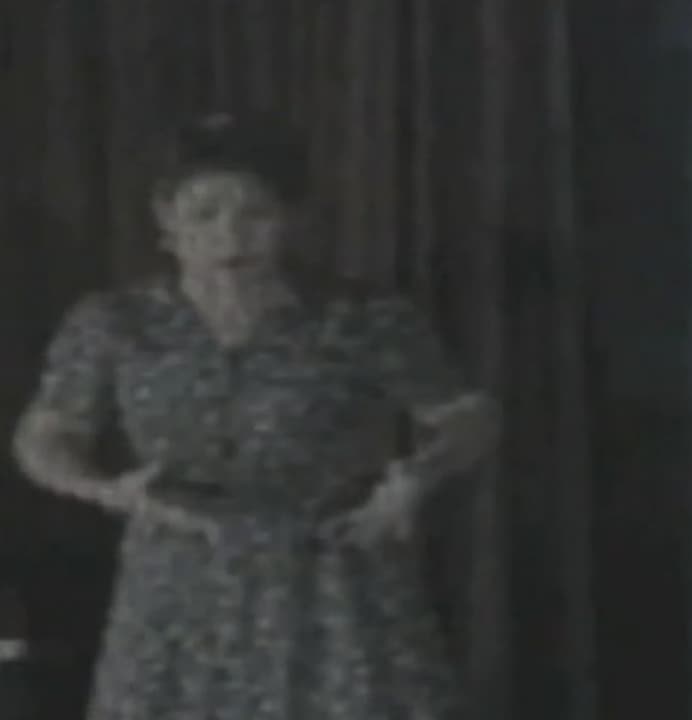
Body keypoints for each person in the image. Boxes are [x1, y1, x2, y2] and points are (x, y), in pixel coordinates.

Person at [11, 111, 498, 720]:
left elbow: (467, 415)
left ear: (291, 219)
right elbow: (46, 435)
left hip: (334, 580)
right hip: (178, 585)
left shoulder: (363, 317)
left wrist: (419, 479)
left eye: (255, 214)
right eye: (205, 214)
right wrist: (104, 489)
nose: (231, 236)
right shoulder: (114, 322)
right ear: (167, 222)